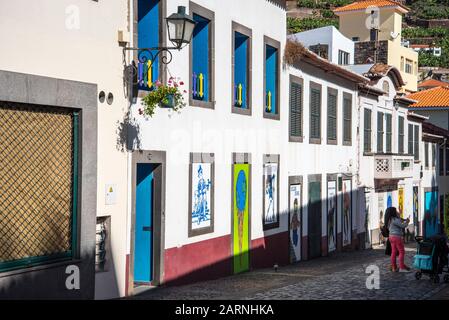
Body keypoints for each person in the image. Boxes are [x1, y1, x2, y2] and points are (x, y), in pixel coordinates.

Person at [384, 206, 411, 272]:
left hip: (391, 237)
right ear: (393, 212)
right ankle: (401, 267)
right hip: (397, 237)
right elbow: (402, 226)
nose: (397, 212)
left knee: (394, 252)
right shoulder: (394, 219)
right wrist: (407, 222)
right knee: (402, 251)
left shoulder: (389, 220)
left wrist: (401, 217)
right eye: (396, 211)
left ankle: (394, 267)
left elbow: (399, 221)